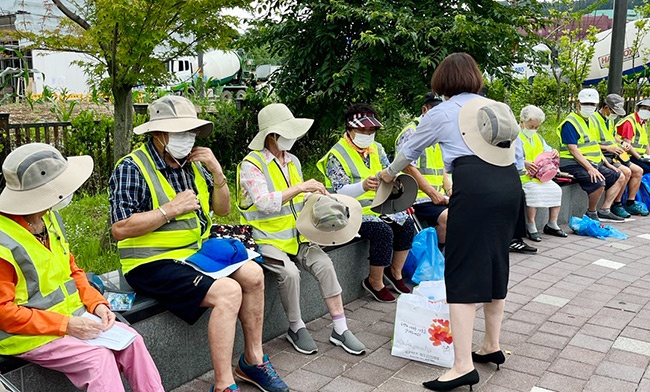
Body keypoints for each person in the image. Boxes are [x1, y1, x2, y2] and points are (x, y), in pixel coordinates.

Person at [108, 96, 288, 392]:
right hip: (149, 262)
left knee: (254, 275)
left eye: (190, 132)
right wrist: (170, 209)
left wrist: (218, 174)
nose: (187, 139)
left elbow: (223, 209)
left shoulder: (194, 163)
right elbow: (119, 229)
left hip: (193, 254)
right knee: (228, 292)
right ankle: (223, 384)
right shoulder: (132, 168)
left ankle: (253, 361)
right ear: (158, 134)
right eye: (179, 133)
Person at [379, 52, 521, 391]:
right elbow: (517, 158)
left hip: (474, 187)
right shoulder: (499, 108)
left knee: (460, 271)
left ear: (442, 82)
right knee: (496, 262)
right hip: (509, 187)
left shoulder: (441, 112)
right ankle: (492, 345)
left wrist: (388, 174)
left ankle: (462, 366)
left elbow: (408, 150)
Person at [0, 143, 164, 392]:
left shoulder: (48, 217)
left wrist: (97, 304)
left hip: (74, 318)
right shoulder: (4, 240)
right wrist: (66, 325)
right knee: (99, 359)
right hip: (27, 335)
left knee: (133, 342)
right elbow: (4, 313)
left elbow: (72, 270)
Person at [237, 103, 366, 356]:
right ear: (271, 136)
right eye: (286, 132)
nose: (292, 137)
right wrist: (301, 188)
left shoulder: (292, 161)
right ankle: (296, 327)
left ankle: (340, 328)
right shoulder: (251, 165)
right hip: (266, 239)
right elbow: (265, 202)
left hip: (299, 236)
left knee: (326, 265)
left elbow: (300, 200)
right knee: (290, 274)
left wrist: (321, 200)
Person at [318, 103, 416, 303]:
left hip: (379, 205)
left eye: (371, 130)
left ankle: (395, 272)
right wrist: (362, 186)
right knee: (383, 232)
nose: (368, 133)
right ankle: (375, 281)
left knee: (406, 223)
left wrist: (393, 181)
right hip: (348, 210)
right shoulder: (336, 154)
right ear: (350, 129)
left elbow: (388, 172)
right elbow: (338, 191)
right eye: (362, 130)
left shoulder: (376, 148)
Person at [558, 88, 626, 222]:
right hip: (572, 163)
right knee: (598, 181)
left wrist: (607, 164)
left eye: (592, 104)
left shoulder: (591, 121)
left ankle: (605, 210)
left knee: (619, 176)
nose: (589, 107)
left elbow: (594, 145)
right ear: (578, 103)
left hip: (593, 162)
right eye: (585, 104)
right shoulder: (570, 122)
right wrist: (590, 168)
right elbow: (573, 149)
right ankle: (591, 212)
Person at [395, 93, 450, 249]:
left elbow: (444, 167)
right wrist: (433, 194)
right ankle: (437, 261)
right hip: (416, 197)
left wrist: (450, 189)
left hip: (437, 196)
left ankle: (446, 261)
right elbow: (408, 167)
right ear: (425, 110)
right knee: (449, 218)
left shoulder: (439, 133)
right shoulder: (411, 133)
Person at [515, 105, 567, 241]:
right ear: (522, 122)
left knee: (556, 190)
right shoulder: (515, 137)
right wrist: (524, 162)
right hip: (523, 176)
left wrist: (554, 152)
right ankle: (531, 224)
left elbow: (547, 150)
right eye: (531, 126)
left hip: (539, 176)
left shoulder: (538, 138)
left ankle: (552, 224)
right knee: (534, 193)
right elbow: (510, 157)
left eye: (536, 127)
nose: (534, 130)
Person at [594, 94, 647, 217]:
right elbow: (590, 142)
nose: (615, 114)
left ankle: (630, 202)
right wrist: (608, 148)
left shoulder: (609, 120)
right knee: (626, 172)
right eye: (614, 111)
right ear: (606, 107)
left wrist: (622, 143)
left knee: (638, 171)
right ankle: (616, 204)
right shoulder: (594, 119)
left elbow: (613, 136)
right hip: (604, 155)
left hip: (617, 154)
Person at [617, 98, 650, 174]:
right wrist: (639, 158)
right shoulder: (630, 122)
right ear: (638, 109)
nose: (647, 111)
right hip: (628, 155)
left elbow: (646, 143)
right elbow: (627, 145)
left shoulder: (643, 123)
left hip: (639, 156)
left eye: (649, 110)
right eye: (644, 108)